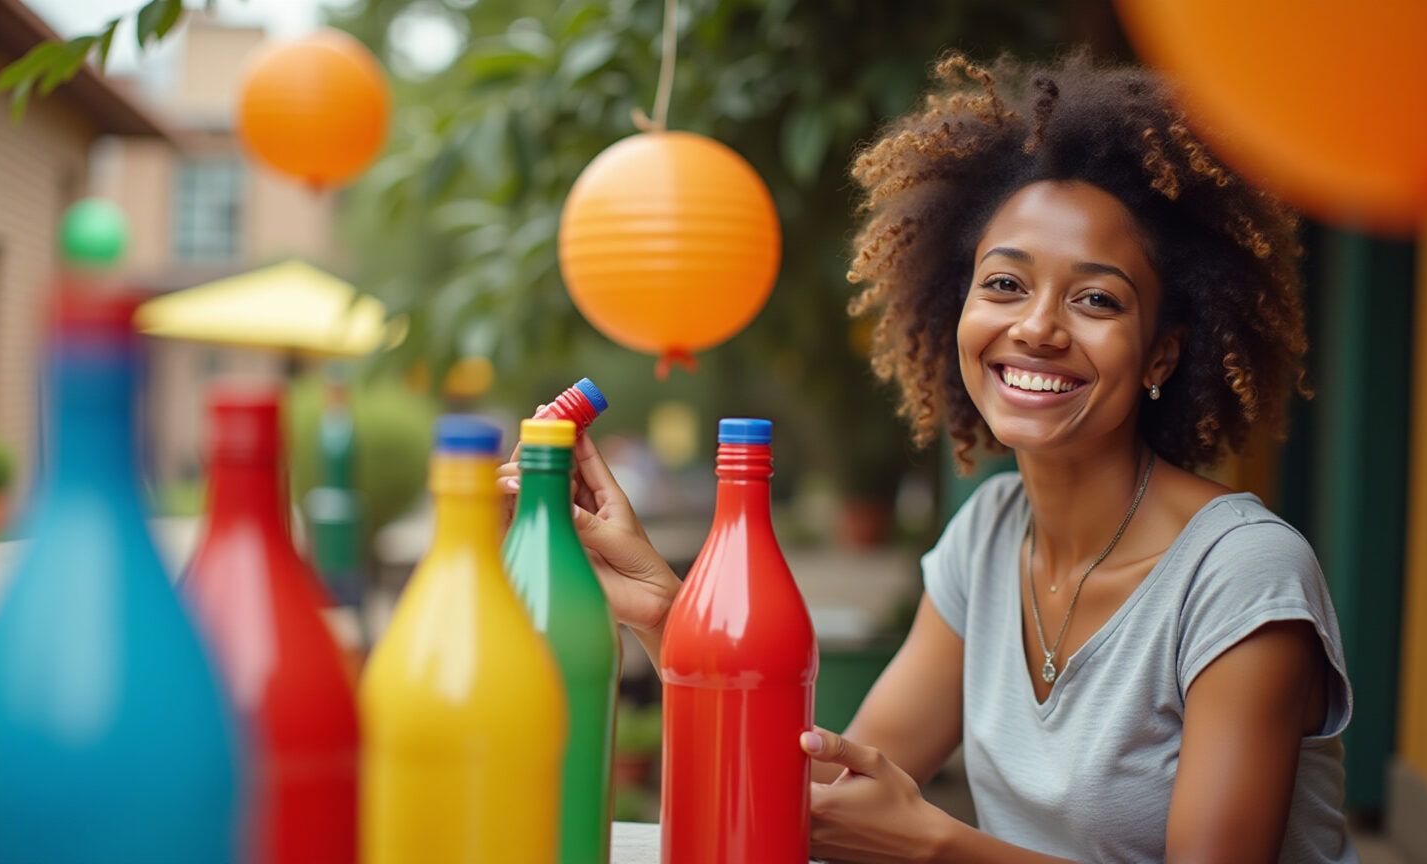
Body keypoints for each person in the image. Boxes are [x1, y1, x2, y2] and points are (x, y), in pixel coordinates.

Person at [500, 51, 1355, 864]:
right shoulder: (990, 535)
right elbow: (818, 793)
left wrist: (935, 845)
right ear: (959, 310)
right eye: (1005, 284)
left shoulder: (1241, 577)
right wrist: (666, 610)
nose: (1037, 327)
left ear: (1162, 353)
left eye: (1096, 299)